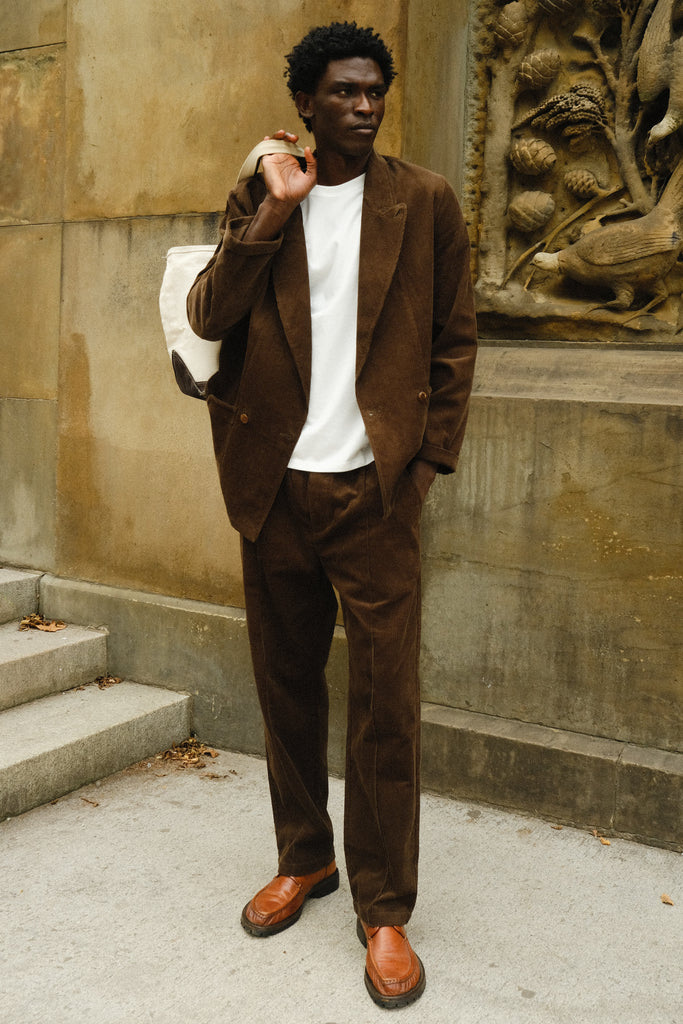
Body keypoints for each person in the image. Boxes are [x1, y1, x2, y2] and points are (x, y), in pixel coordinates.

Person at [187, 20, 477, 1010]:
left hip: (373, 497)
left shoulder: (426, 201)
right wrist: (270, 211)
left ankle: (384, 907)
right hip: (272, 490)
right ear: (305, 102)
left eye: (373, 91)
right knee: (285, 688)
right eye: (343, 92)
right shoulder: (265, 189)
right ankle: (303, 857)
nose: (362, 106)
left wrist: (425, 460)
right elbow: (206, 314)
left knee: (385, 707)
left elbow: (453, 337)